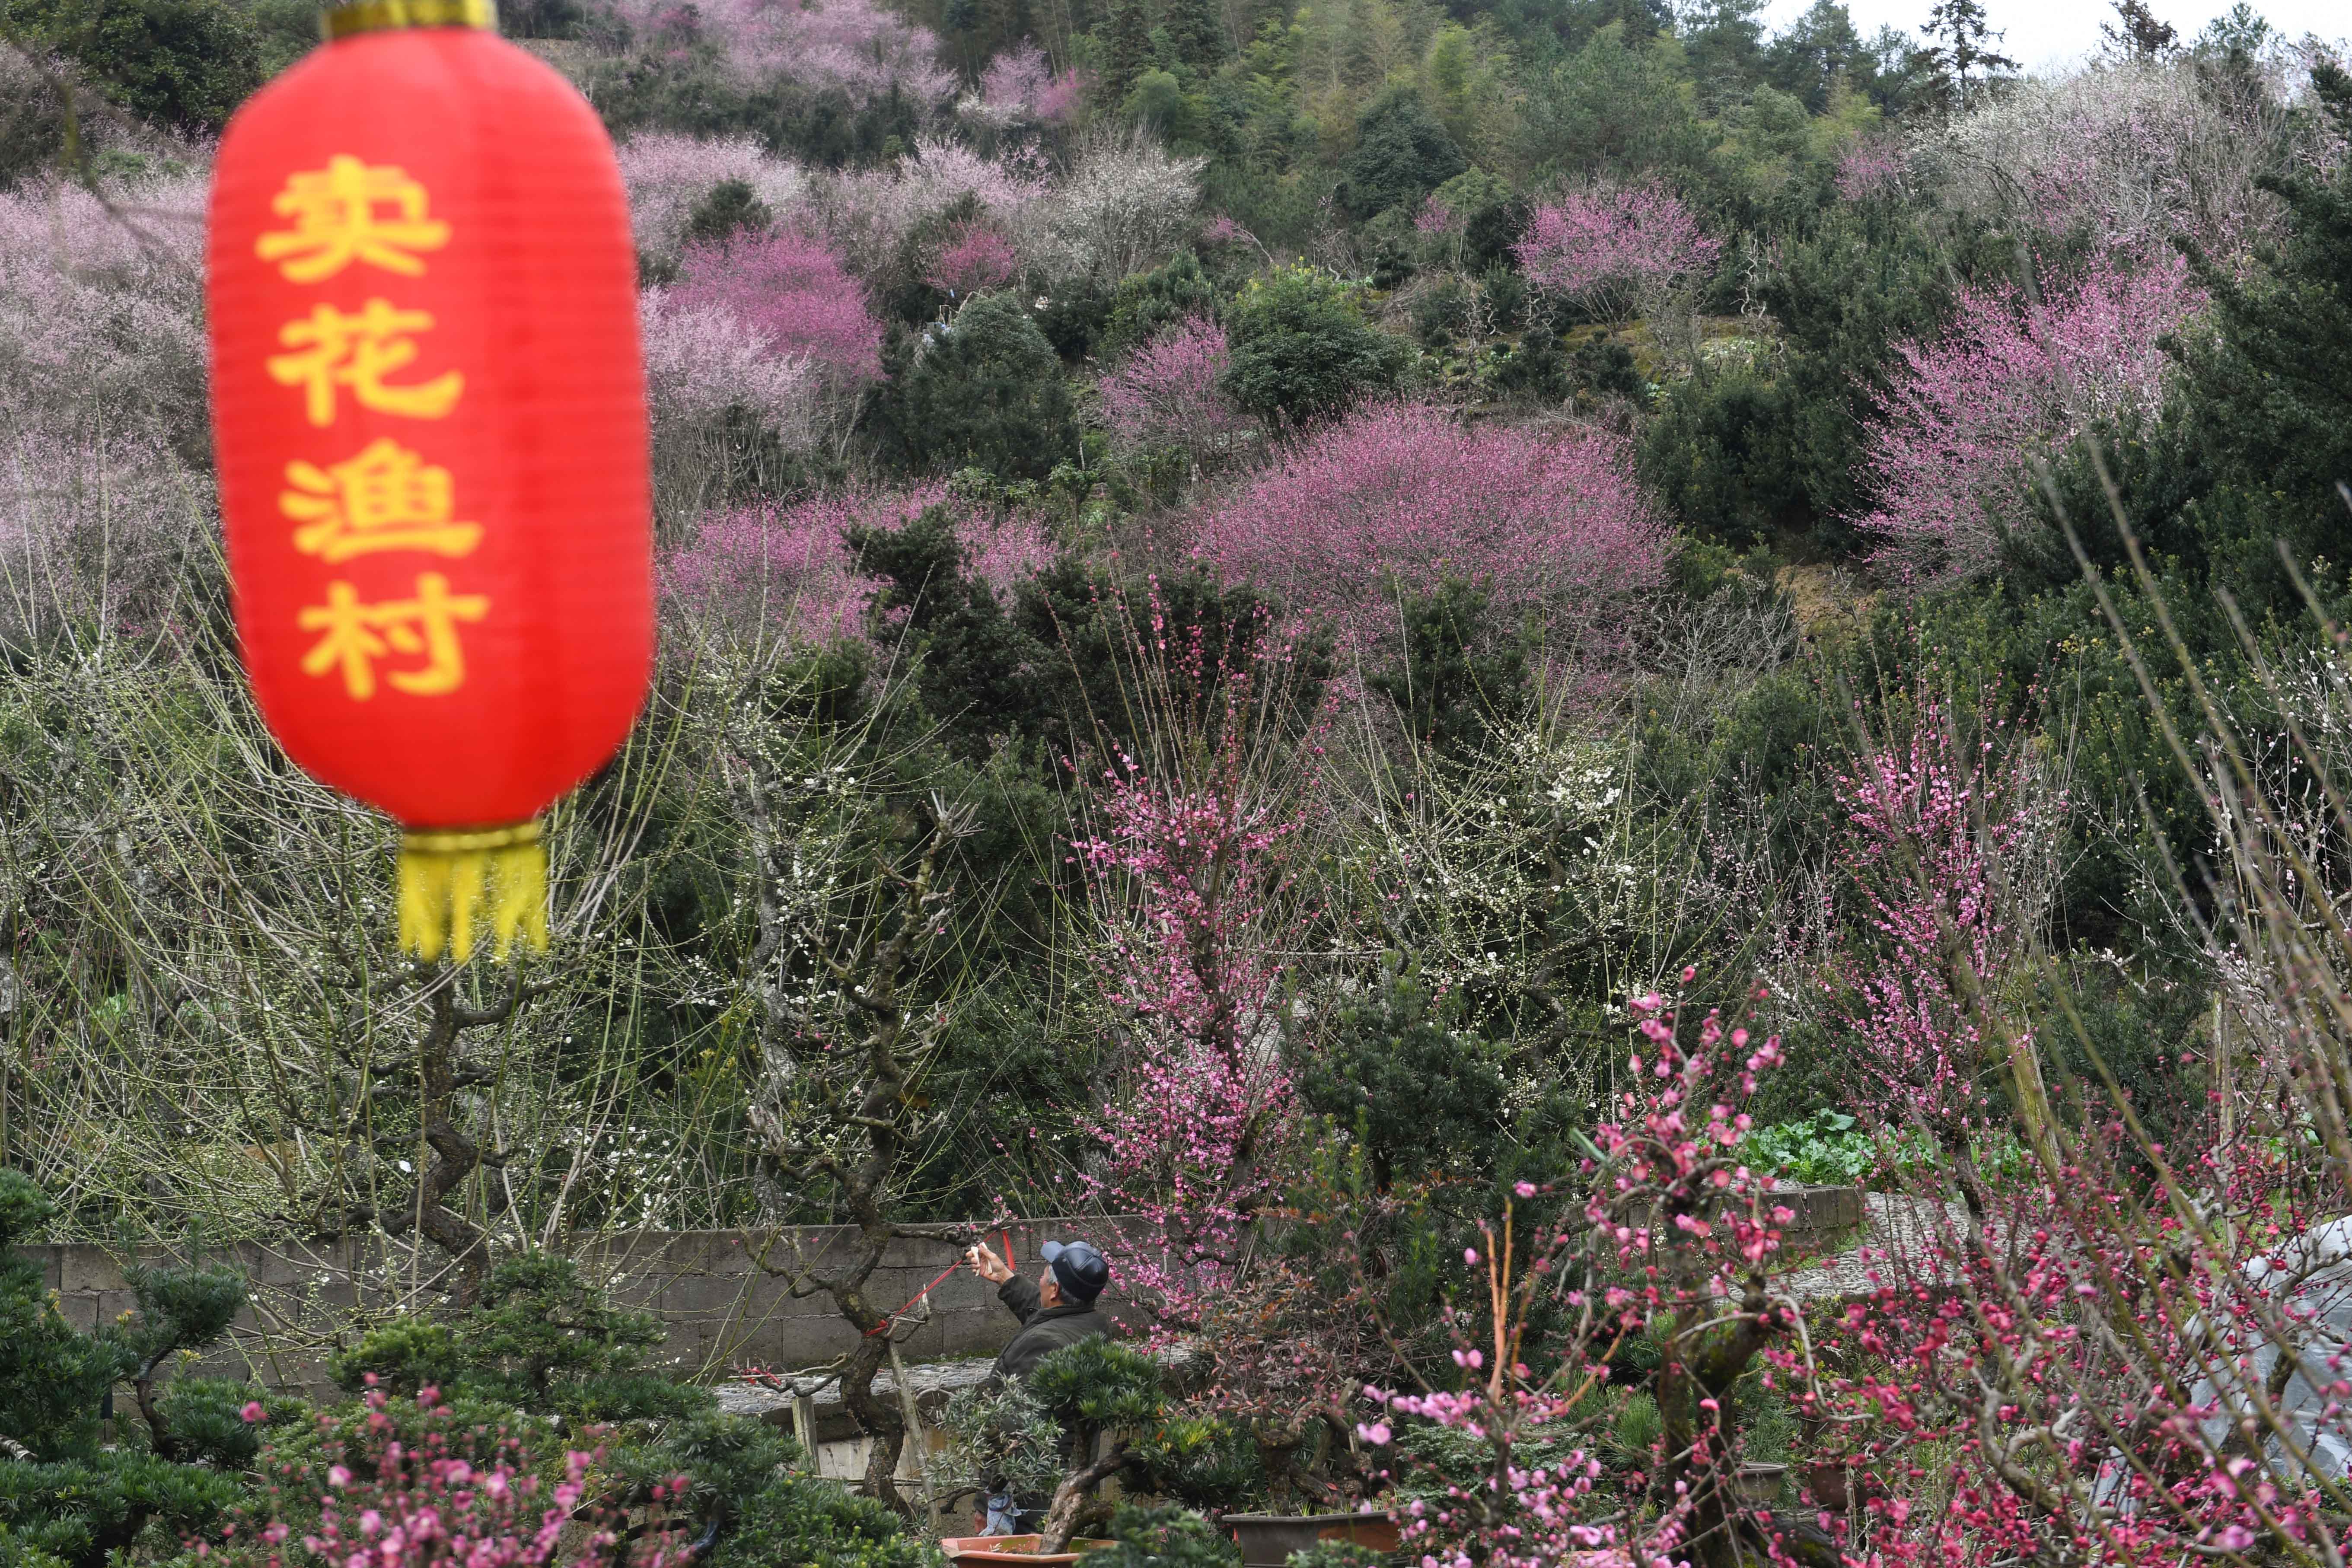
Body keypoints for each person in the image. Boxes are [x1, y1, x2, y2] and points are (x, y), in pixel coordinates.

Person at [966, 1237, 1111, 1382]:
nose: (1040, 1281)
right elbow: (1039, 1309)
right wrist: (1002, 1275)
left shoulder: (1043, 1345)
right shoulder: (1095, 1323)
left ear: (1054, 1289)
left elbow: (1022, 1402)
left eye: (1044, 1276)